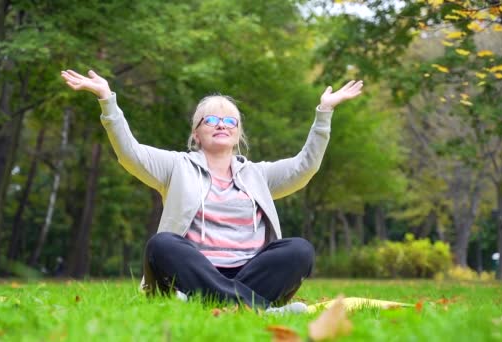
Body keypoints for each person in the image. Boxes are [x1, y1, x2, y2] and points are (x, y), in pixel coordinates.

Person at [61, 69, 363, 313]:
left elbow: (304, 168)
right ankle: (257, 309)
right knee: (162, 245)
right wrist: (107, 100)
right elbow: (130, 153)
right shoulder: (176, 166)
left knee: (299, 250)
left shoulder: (258, 174)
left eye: (230, 120)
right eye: (212, 120)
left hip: (250, 271)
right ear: (197, 133)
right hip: (194, 271)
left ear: (238, 133)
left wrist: (324, 112)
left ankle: (222, 303)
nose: (222, 124)